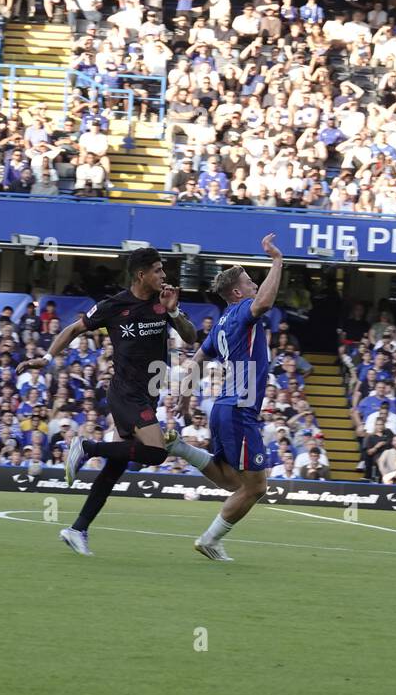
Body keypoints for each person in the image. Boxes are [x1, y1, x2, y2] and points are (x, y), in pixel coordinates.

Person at [16, 247, 198, 555]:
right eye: (158, 270)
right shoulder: (114, 306)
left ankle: (77, 529)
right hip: (126, 393)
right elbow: (74, 329)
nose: (164, 276)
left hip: (148, 394)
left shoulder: (162, 303)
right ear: (141, 275)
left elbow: (191, 338)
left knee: (115, 467)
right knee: (155, 454)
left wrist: (174, 311)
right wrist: (46, 358)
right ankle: (87, 447)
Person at [165, 233, 283, 561]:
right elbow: (266, 303)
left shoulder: (220, 325)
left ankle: (181, 448)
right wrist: (277, 260)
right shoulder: (245, 309)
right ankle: (210, 539)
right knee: (256, 487)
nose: (255, 284)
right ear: (237, 292)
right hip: (240, 407)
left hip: (224, 406)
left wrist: (185, 397)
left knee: (233, 481)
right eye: (249, 281)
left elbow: (195, 362)